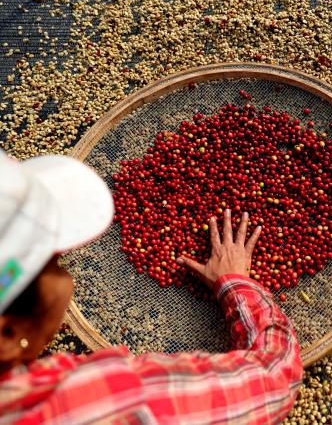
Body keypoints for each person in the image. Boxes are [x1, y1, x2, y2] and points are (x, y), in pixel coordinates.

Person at [0, 150, 303, 424]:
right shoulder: (97, 402)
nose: (64, 267)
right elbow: (276, 375)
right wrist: (234, 282)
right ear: (9, 334)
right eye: (54, 263)